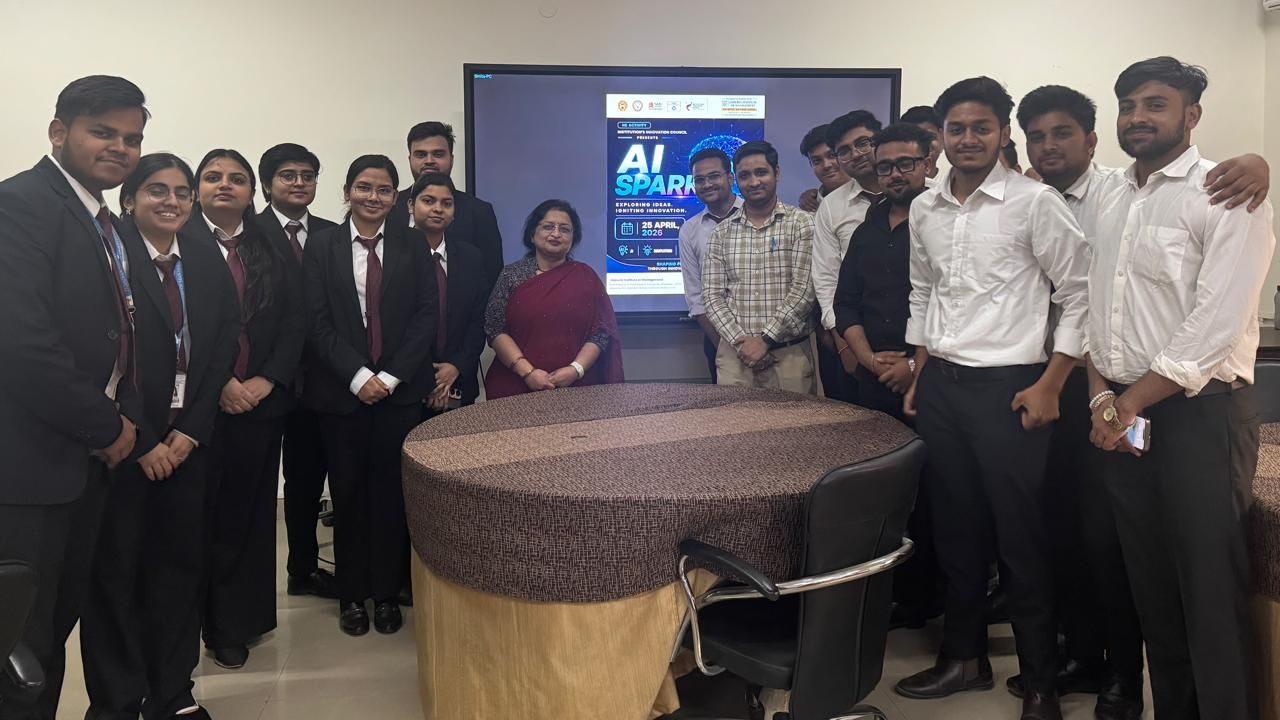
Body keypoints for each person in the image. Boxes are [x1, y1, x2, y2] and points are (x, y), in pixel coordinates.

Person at [894, 77, 1091, 720]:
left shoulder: (1035, 203)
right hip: (943, 387)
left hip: (1012, 389)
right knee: (955, 530)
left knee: (1020, 539)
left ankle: (1039, 683)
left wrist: (1051, 383)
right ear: (941, 138)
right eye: (956, 129)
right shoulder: (926, 208)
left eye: (982, 127)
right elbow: (925, 293)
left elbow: (1080, 294)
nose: (969, 139)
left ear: (1004, 133)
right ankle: (964, 658)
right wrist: (920, 372)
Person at [1086, 57, 1276, 720]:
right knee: (1153, 586)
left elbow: (1215, 324)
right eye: (1128, 105)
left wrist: (1127, 403)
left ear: (1191, 115)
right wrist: (1102, 399)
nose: (1138, 117)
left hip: (1201, 415)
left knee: (1209, 589)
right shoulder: (1109, 195)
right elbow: (1094, 306)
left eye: (1156, 104)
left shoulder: (1228, 192)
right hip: (1121, 411)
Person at [0, 75, 145, 719]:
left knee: (52, 629)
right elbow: (23, 344)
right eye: (102, 132)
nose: (120, 148)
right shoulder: (20, 205)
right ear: (58, 132)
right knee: (19, 648)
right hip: (29, 468)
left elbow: (116, 329)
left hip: (79, 463)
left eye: (131, 139)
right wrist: (106, 427)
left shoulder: (99, 217)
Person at [81, 153, 241, 720]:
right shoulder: (108, 257)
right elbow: (98, 355)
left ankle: (172, 692)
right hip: (125, 445)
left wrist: (191, 430)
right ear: (129, 200)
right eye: (156, 190)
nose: (171, 201)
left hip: (187, 444)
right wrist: (146, 440)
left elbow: (223, 342)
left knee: (179, 570)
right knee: (116, 577)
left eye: (180, 192)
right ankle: (118, 701)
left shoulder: (201, 255)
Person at [303, 155, 437, 637]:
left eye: (383, 189)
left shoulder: (412, 244)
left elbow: (426, 315)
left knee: (390, 496)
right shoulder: (322, 246)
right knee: (348, 494)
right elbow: (315, 320)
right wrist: (359, 376)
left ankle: (385, 594)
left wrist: (393, 376)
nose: (373, 197)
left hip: (398, 397)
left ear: (396, 197)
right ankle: (351, 595)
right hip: (343, 395)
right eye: (363, 187)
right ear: (347, 192)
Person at [182, 149, 305, 670]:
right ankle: (186, 624)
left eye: (236, 178)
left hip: (260, 401)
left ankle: (235, 623)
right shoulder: (178, 240)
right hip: (196, 408)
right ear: (197, 189)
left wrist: (265, 379)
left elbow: (295, 320)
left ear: (252, 191)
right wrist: (221, 385)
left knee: (248, 516)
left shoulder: (269, 243)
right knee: (196, 517)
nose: (224, 185)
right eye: (213, 177)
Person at [833, 121, 942, 630]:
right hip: (872, 382)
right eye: (885, 167)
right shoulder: (867, 229)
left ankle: (928, 599)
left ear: (927, 164)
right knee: (881, 495)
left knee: (931, 498)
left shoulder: (943, 221)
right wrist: (868, 359)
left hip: (930, 385)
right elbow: (846, 302)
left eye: (905, 164)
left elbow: (950, 304)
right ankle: (890, 596)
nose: (895, 174)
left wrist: (914, 366)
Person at [255, 143, 341, 601]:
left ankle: (304, 568)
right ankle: (256, 586)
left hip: (326, 379)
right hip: (266, 380)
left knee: (312, 477)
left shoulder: (332, 234)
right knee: (263, 483)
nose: (299, 183)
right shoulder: (249, 233)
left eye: (308, 175)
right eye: (288, 175)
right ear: (267, 183)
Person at [703, 140, 816, 393]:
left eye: (761, 172)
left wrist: (765, 340)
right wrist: (742, 344)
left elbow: (804, 291)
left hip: (788, 357)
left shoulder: (803, 224)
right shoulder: (721, 232)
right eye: (745, 176)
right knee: (733, 420)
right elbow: (712, 296)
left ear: (777, 172)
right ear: (736, 180)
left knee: (795, 421)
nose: (753, 182)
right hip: (735, 358)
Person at [483, 199, 624, 399]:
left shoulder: (586, 277)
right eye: (548, 227)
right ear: (532, 234)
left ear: (573, 238)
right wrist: (528, 373)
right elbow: (495, 328)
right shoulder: (511, 275)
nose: (556, 234)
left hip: (579, 387)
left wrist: (575, 370)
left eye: (564, 229)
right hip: (516, 384)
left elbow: (601, 332)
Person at [810, 110, 883, 403]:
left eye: (863, 143)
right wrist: (845, 345)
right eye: (844, 150)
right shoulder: (832, 207)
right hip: (854, 335)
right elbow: (826, 281)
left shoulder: (926, 195)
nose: (855, 154)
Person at [408, 172, 490, 415]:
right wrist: (429, 379)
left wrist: (455, 366)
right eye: (428, 201)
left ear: (454, 212)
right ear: (411, 205)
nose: (438, 209)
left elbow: (478, 319)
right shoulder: (394, 255)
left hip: (459, 380)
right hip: (406, 382)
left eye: (446, 203)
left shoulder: (471, 257)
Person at [390, 121, 503, 283]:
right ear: (410, 159)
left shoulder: (479, 211)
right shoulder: (390, 205)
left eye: (438, 154)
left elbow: (493, 277)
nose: (429, 161)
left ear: (451, 159)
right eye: (421, 155)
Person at [678, 148, 743, 383]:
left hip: (770, 341)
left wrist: (763, 343)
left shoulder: (757, 215)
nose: (706, 184)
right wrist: (726, 347)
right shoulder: (689, 230)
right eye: (699, 180)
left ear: (730, 177)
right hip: (718, 341)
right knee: (728, 406)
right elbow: (696, 298)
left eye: (714, 176)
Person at [796, 123, 851, 211]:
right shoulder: (809, 210)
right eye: (817, 161)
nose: (826, 165)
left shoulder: (871, 193)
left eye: (832, 155)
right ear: (811, 164)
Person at [902, 105, 945, 179]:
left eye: (930, 136)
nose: (924, 144)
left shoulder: (953, 184)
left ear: (942, 141)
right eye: (915, 138)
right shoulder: (894, 183)